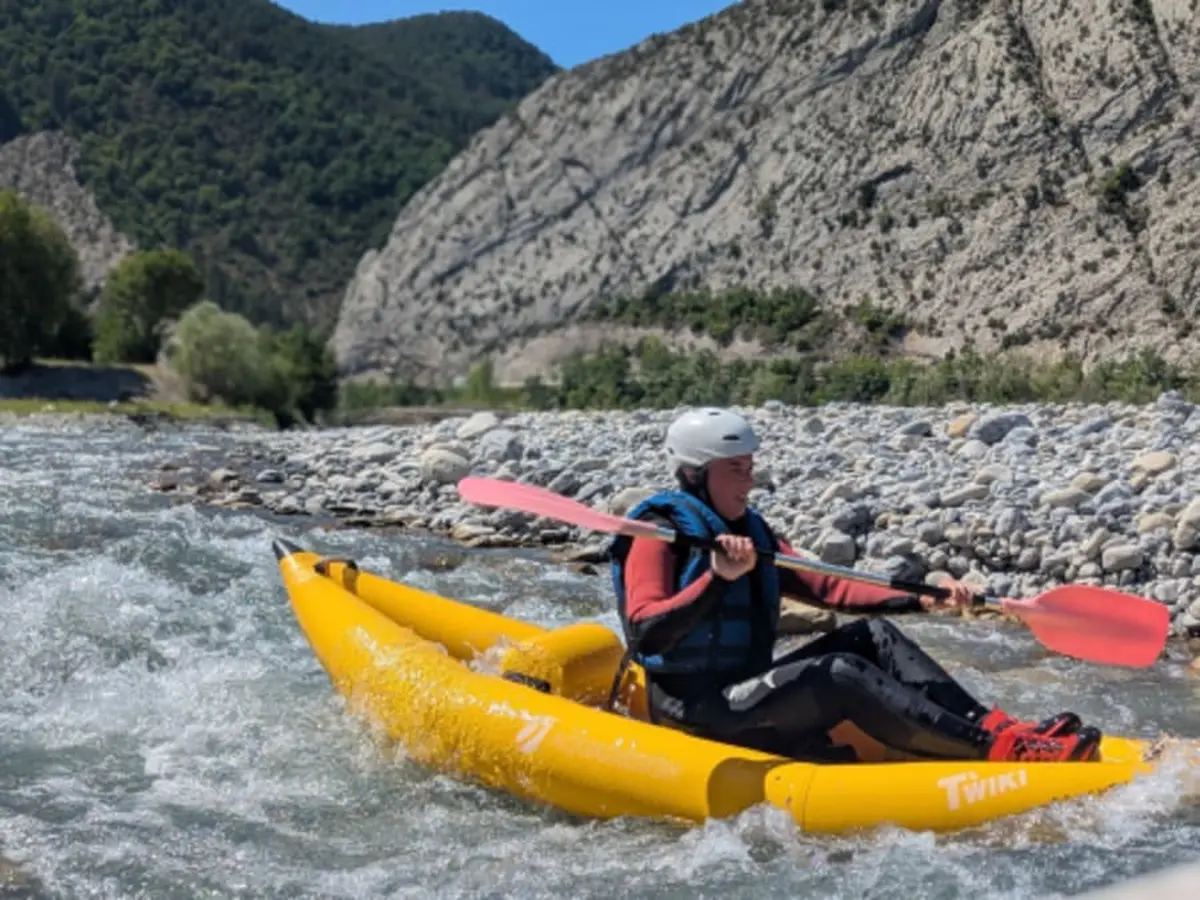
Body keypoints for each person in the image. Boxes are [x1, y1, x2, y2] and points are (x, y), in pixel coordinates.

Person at [608, 407, 1104, 764]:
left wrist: (926, 597)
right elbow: (646, 634)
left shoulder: (750, 533)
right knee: (837, 672)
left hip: (745, 689)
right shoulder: (656, 535)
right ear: (696, 475)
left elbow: (833, 590)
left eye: (751, 468)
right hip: (698, 708)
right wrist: (718, 580)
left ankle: (997, 726)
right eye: (735, 470)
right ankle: (1000, 753)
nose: (749, 481)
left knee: (875, 637)